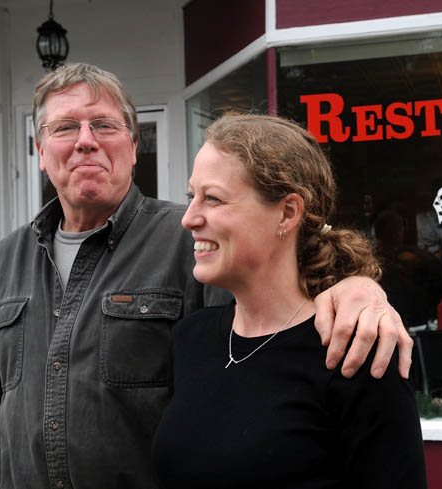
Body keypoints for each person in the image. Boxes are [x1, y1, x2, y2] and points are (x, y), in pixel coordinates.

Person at [0, 63, 413, 489]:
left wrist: (359, 285)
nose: (86, 141)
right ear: (40, 150)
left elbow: (275, 322)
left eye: (104, 125)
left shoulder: (194, 247)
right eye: (65, 127)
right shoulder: (4, 262)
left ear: (132, 142)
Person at [152, 114, 427, 488]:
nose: (188, 218)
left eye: (212, 198)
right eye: (191, 197)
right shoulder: (190, 338)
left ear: (287, 212)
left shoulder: (355, 351)